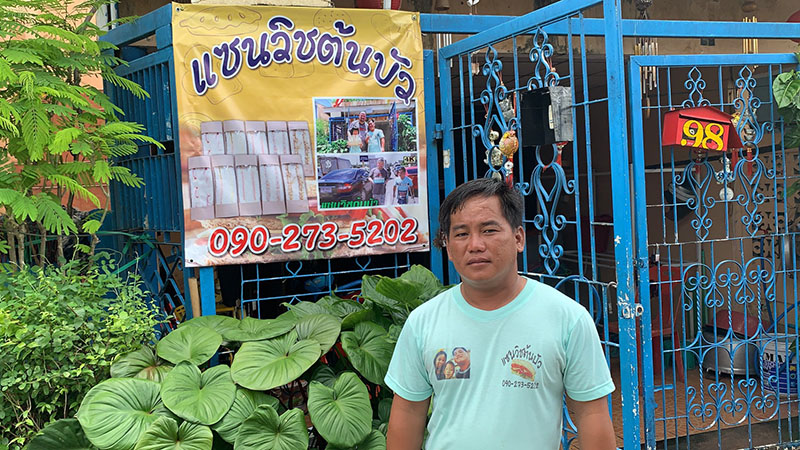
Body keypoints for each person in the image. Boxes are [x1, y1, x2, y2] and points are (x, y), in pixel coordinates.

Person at [385, 178, 616, 450]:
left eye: (489, 230)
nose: (475, 245)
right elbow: (408, 413)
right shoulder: (423, 322)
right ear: (447, 246)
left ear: (518, 238)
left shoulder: (567, 318)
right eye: (460, 234)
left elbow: (592, 414)